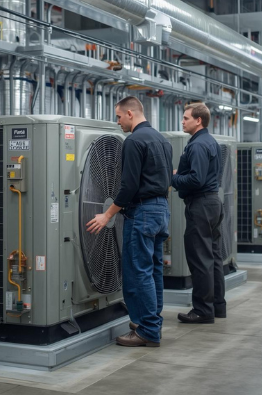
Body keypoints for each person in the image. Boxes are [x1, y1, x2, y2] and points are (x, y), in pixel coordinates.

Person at [86, 96, 172, 347]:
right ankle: (152, 323)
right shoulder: (162, 140)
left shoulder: (134, 141)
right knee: (154, 270)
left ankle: (146, 330)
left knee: (138, 273)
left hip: (142, 212)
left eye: (119, 117)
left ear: (131, 113)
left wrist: (108, 214)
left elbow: (129, 186)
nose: (118, 122)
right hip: (160, 210)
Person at [171, 103, 225, 324]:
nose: (182, 121)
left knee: (200, 259)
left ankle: (202, 310)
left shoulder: (197, 145)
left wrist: (171, 178)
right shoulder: (209, 141)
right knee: (213, 257)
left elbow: (196, 179)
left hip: (201, 205)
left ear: (198, 120)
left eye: (186, 118)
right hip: (212, 202)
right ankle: (217, 306)